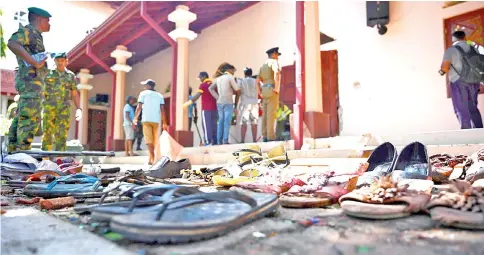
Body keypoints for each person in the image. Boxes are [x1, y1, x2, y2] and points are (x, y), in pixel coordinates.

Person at [7, 7, 51, 152]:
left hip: (32, 84)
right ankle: (23, 151)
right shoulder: (29, 32)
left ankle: (13, 150)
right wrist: (33, 61)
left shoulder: (36, 35)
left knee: (22, 116)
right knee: (30, 118)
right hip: (30, 84)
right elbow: (12, 43)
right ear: (39, 18)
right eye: (48, 20)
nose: (50, 23)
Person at [440, 31, 483, 129]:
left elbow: (445, 68)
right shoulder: (473, 49)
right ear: (464, 37)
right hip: (474, 82)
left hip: (458, 82)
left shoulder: (451, 50)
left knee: (461, 108)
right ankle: (480, 133)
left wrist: (441, 72)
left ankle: (466, 135)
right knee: (473, 108)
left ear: (453, 39)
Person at [41, 53, 82, 151]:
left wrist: (79, 108)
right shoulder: (47, 74)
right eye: (58, 60)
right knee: (47, 134)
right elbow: (41, 91)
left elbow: (74, 93)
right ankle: (45, 160)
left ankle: (59, 159)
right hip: (49, 109)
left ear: (66, 62)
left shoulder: (70, 76)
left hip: (64, 109)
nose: (60, 63)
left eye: (62, 60)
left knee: (62, 135)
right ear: (54, 61)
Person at [134, 79, 167, 165]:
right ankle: (150, 160)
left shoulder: (143, 94)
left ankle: (153, 159)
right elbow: (163, 110)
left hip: (146, 120)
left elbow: (139, 107)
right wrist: (164, 122)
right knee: (153, 141)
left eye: (145, 85)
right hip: (156, 121)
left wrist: (135, 118)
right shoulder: (160, 95)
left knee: (149, 140)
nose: (144, 87)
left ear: (149, 86)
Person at [209, 63, 240, 145]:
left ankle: (219, 141)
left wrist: (217, 97)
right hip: (228, 102)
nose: (233, 72)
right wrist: (236, 103)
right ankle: (225, 140)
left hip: (219, 102)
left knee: (220, 121)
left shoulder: (218, 79)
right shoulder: (230, 77)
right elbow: (237, 90)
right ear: (228, 70)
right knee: (227, 122)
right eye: (233, 70)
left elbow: (210, 88)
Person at [183, 71, 217, 145]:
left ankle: (208, 142)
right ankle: (214, 141)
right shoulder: (213, 84)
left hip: (206, 109)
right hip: (215, 109)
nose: (200, 79)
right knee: (213, 125)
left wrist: (188, 103)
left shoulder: (203, 85)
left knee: (206, 125)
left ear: (204, 76)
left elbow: (197, 95)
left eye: (200, 77)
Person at [256, 47, 281, 142]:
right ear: (274, 54)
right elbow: (277, 73)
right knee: (271, 114)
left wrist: (260, 92)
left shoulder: (263, 65)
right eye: (277, 55)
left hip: (265, 90)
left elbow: (257, 81)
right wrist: (277, 88)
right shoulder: (274, 62)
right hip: (272, 89)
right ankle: (271, 136)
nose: (278, 57)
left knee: (265, 115)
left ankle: (264, 136)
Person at [237, 67, 259, 143]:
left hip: (245, 103)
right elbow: (261, 88)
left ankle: (242, 140)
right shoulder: (256, 81)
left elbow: (238, 90)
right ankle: (254, 140)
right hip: (254, 103)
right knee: (254, 123)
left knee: (244, 123)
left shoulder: (241, 81)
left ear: (244, 74)